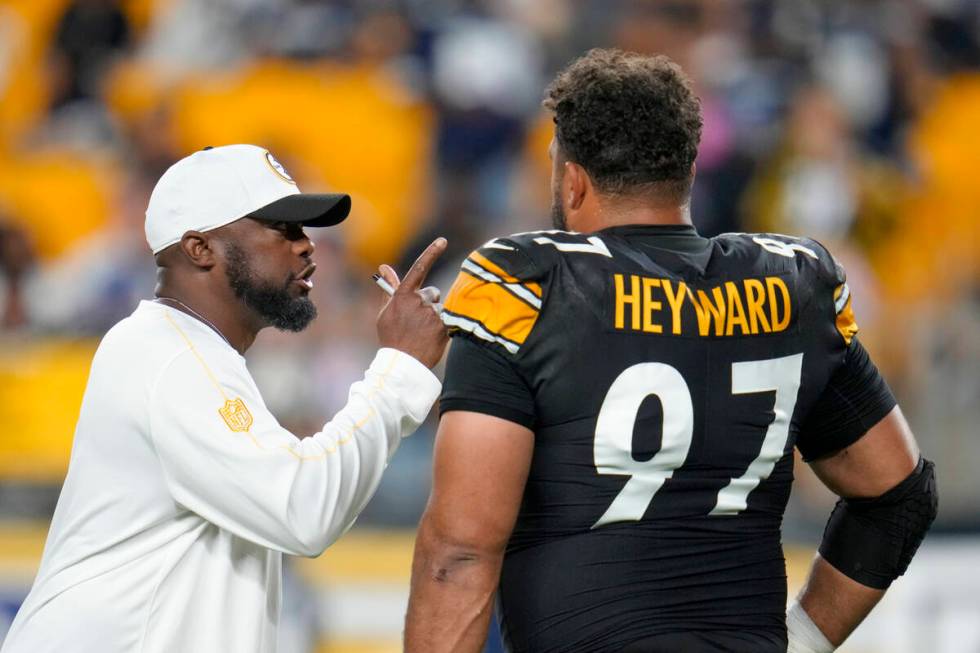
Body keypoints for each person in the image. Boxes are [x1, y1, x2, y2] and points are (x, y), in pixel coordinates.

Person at [404, 50, 937, 653]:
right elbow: (900, 495)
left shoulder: (527, 284)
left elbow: (461, 551)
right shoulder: (792, 283)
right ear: (684, 173)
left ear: (573, 181)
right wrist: (805, 639)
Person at [2, 144, 448, 653]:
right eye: (282, 229)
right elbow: (303, 509)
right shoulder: (168, 356)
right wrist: (398, 369)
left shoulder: (187, 352)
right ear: (199, 248)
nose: (307, 247)